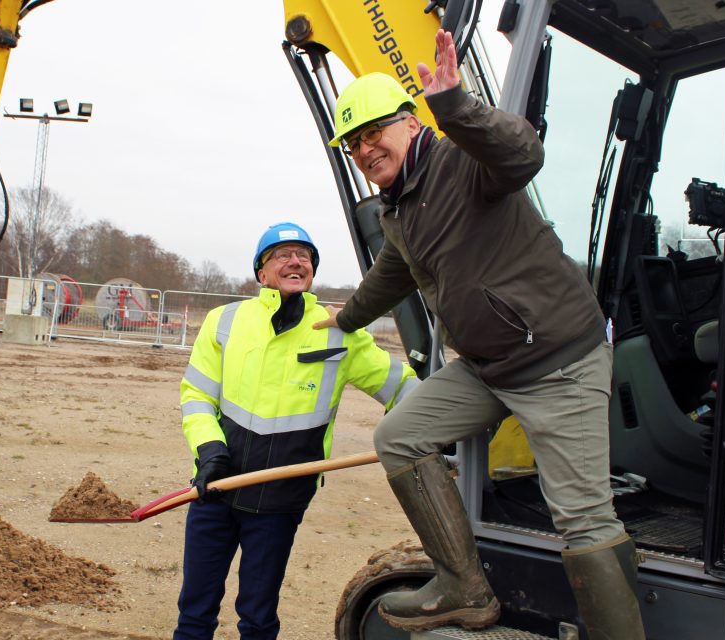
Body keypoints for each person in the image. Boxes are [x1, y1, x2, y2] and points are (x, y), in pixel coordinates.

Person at [312, 30, 644, 637]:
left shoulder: (461, 160)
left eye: (372, 133)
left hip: (556, 360)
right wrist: (347, 317)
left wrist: (457, 106)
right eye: (352, 144)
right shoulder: (399, 207)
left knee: (583, 520)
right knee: (401, 436)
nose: (363, 150)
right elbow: (394, 271)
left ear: (410, 123)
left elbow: (523, 154)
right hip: (490, 365)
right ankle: (464, 587)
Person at [174, 222, 418, 640]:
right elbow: (196, 395)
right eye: (282, 254)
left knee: (258, 615)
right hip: (217, 485)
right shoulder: (224, 321)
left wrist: (448, 414)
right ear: (262, 273)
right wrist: (209, 450)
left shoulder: (339, 329)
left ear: (311, 272)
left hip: (281, 496)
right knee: (195, 610)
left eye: (304, 255)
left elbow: (402, 388)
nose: (295, 260)